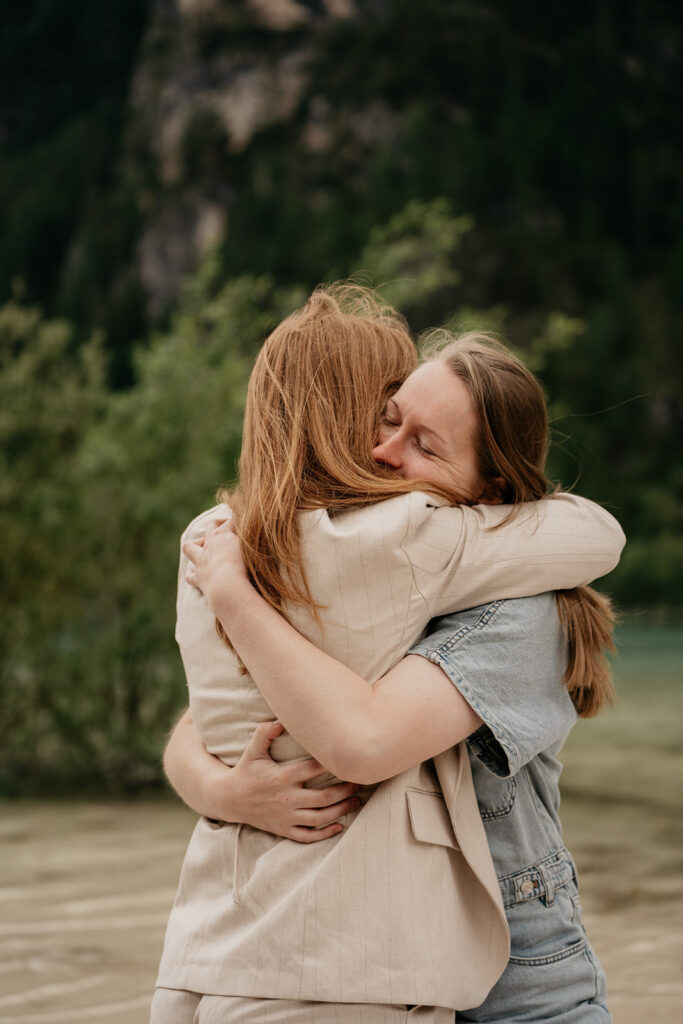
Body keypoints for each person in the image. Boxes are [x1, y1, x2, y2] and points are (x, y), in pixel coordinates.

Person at [153, 285, 623, 1023]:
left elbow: (362, 737)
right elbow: (209, 716)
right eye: (386, 418)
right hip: (398, 961)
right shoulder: (368, 560)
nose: (383, 452)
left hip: (518, 983)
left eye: (423, 444)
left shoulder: (521, 608)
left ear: (494, 493)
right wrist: (225, 790)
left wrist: (232, 596)